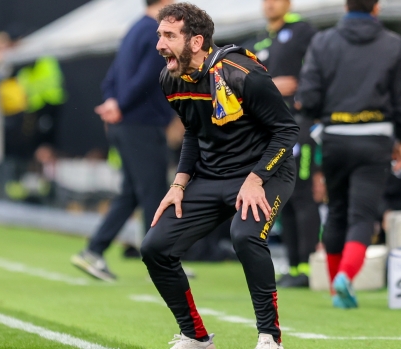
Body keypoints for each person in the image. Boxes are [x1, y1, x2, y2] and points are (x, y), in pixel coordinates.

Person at [142, 3, 299, 348]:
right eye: (160, 35)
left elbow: (287, 132)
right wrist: (178, 184)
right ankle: (195, 337)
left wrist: (256, 179)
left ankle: (270, 338)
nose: (159, 45)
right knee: (155, 247)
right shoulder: (170, 79)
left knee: (245, 236)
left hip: (266, 172)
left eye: (169, 36)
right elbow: (193, 133)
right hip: (212, 177)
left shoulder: (244, 72)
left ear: (196, 41)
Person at [296, 0, 401, 308]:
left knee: (336, 211)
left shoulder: (322, 41)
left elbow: (308, 97)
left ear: (346, 6)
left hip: (334, 137)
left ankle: (337, 290)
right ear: (377, 7)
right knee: (363, 214)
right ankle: (346, 276)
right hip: (376, 137)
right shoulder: (393, 43)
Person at [71, 0, 174, 281]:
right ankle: (162, 263)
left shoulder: (132, 30)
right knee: (154, 192)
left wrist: (111, 102)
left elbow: (113, 74)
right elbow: (147, 76)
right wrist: (120, 105)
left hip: (124, 123)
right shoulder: (156, 31)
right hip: (140, 123)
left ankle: (93, 251)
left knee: (131, 193)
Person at [249, 0, 319, 288]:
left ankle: (309, 265)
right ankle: (293, 265)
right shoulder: (259, 41)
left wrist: (301, 89)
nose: (270, 4)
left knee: (302, 195)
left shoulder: (303, 31)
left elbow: (319, 70)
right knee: (283, 197)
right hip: (271, 129)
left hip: (299, 125)